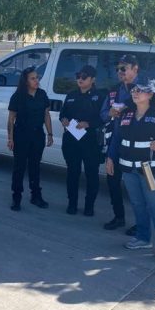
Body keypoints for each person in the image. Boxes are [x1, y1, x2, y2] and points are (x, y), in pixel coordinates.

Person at [106, 78, 155, 265]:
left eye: (140, 90)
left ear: (150, 94)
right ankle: (142, 238)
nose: (135, 92)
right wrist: (110, 157)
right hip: (128, 168)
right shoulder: (125, 112)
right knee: (137, 204)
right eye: (134, 90)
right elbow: (116, 137)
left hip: (151, 170)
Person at [100, 54, 140, 233]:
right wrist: (110, 113)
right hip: (116, 144)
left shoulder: (145, 90)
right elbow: (103, 115)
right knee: (113, 182)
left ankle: (141, 224)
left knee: (138, 188)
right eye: (117, 69)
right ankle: (119, 217)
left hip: (137, 148)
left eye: (124, 68)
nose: (120, 72)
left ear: (135, 69)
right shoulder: (114, 91)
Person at [7, 66, 54, 211]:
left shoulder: (42, 94)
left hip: (37, 135)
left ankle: (36, 196)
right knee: (19, 167)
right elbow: (11, 119)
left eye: (37, 78)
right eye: (33, 78)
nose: (36, 81)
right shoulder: (18, 96)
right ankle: (16, 198)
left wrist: (50, 134)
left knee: (35, 167)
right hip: (21, 135)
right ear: (26, 81)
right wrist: (10, 138)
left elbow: (46, 115)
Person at [59, 65, 104, 215]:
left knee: (91, 174)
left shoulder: (99, 96)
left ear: (93, 79)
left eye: (84, 77)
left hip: (91, 141)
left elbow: (104, 118)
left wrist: (88, 124)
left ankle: (89, 207)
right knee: (72, 173)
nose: (80, 79)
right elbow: (63, 114)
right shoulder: (71, 95)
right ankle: (72, 204)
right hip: (72, 141)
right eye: (78, 76)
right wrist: (64, 120)